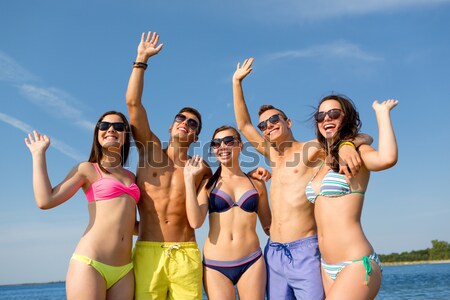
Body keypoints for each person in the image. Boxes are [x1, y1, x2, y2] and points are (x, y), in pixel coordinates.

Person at [232, 58, 373, 299]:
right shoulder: (272, 156)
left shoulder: (312, 148)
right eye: (264, 125)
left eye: (274, 120)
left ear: (288, 122)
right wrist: (236, 82)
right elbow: (244, 126)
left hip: (305, 249)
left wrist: (349, 144)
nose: (268, 127)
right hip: (274, 252)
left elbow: (365, 136)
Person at [125, 31, 212, 300]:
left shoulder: (202, 170)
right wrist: (141, 60)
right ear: (171, 125)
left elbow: (205, 209)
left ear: (196, 136)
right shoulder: (149, 150)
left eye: (192, 123)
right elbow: (133, 103)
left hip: (185, 252)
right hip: (147, 250)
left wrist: (257, 175)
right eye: (181, 118)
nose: (185, 122)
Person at [24, 111, 139, 300]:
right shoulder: (87, 169)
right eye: (104, 125)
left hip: (125, 270)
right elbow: (45, 201)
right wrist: (38, 155)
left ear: (126, 136)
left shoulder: (132, 177)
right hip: (91, 264)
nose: (111, 129)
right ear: (97, 133)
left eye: (119, 127)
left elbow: (130, 225)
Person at [306, 95, 398, 299]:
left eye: (334, 113)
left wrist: (382, 115)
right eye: (321, 115)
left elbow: (387, 158)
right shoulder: (323, 160)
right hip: (327, 266)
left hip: (356, 263)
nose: (326, 119)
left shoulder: (357, 152)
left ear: (346, 118)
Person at [184, 126, 272, 300]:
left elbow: (269, 226)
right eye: (216, 143)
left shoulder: (257, 184)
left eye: (229, 141)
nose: (222, 146)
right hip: (215, 265)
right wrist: (188, 180)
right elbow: (195, 222)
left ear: (240, 146)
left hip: (252, 261)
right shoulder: (208, 185)